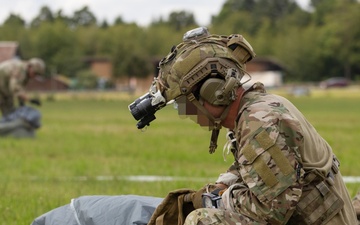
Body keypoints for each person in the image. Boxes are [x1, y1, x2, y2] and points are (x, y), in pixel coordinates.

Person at [129, 27, 358, 224]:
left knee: (201, 221)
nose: (184, 114)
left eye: (183, 103)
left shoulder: (259, 124)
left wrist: (216, 201)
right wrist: (220, 186)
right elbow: (257, 171)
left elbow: (272, 210)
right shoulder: (254, 111)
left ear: (213, 93)